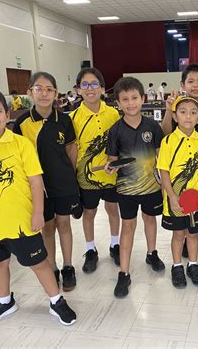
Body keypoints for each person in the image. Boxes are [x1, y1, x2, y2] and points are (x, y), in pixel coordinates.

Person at [0, 87, 76, 328]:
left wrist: (37, 213)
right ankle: (4, 301)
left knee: (39, 263)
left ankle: (56, 300)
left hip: (22, 222)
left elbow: (36, 182)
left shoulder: (21, 144)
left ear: (7, 114)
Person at [13, 72, 81, 292]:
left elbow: (71, 148)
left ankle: (68, 266)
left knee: (64, 224)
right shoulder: (22, 123)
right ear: (29, 92)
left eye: (49, 89)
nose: (43, 93)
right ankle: (51, 268)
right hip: (37, 187)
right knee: (47, 228)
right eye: (38, 88)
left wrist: (71, 176)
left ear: (56, 93)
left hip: (63, 183)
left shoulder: (64, 120)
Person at [105, 77, 165, 298]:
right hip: (126, 189)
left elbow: (160, 156)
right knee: (127, 227)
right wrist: (111, 167)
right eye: (125, 99)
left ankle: (152, 253)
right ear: (118, 103)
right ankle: (124, 272)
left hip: (151, 187)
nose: (130, 103)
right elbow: (112, 160)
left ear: (143, 99)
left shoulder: (153, 126)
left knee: (150, 220)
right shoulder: (115, 130)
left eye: (134, 98)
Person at [157, 96, 198, 288]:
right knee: (178, 235)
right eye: (183, 112)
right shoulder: (167, 142)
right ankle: (176, 267)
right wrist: (172, 197)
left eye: (193, 112)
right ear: (174, 116)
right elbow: (163, 171)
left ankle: (193, 264)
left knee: (193, 234)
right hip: (175, 201)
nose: (188, 116)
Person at [161, 63, 198, 253]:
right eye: (190, 81)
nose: (195, 85)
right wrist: (169, 109)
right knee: (181, 223)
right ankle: (184, 241)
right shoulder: (177, 107)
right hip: (182, 168)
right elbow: (166, 133)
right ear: (183, 85)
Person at [69, 68, 121, 273]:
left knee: (112, 209)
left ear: (102, 88)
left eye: (94, 84)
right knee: (89, 213)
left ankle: (115, 244)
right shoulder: (73, 117)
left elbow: (119, 143)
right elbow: (72, 149)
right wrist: (73, 177)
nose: (90, 89)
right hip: (86, 178)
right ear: (79, 90)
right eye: (85, 85)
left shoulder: (114, 113)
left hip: (111, 174)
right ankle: (90, 250)